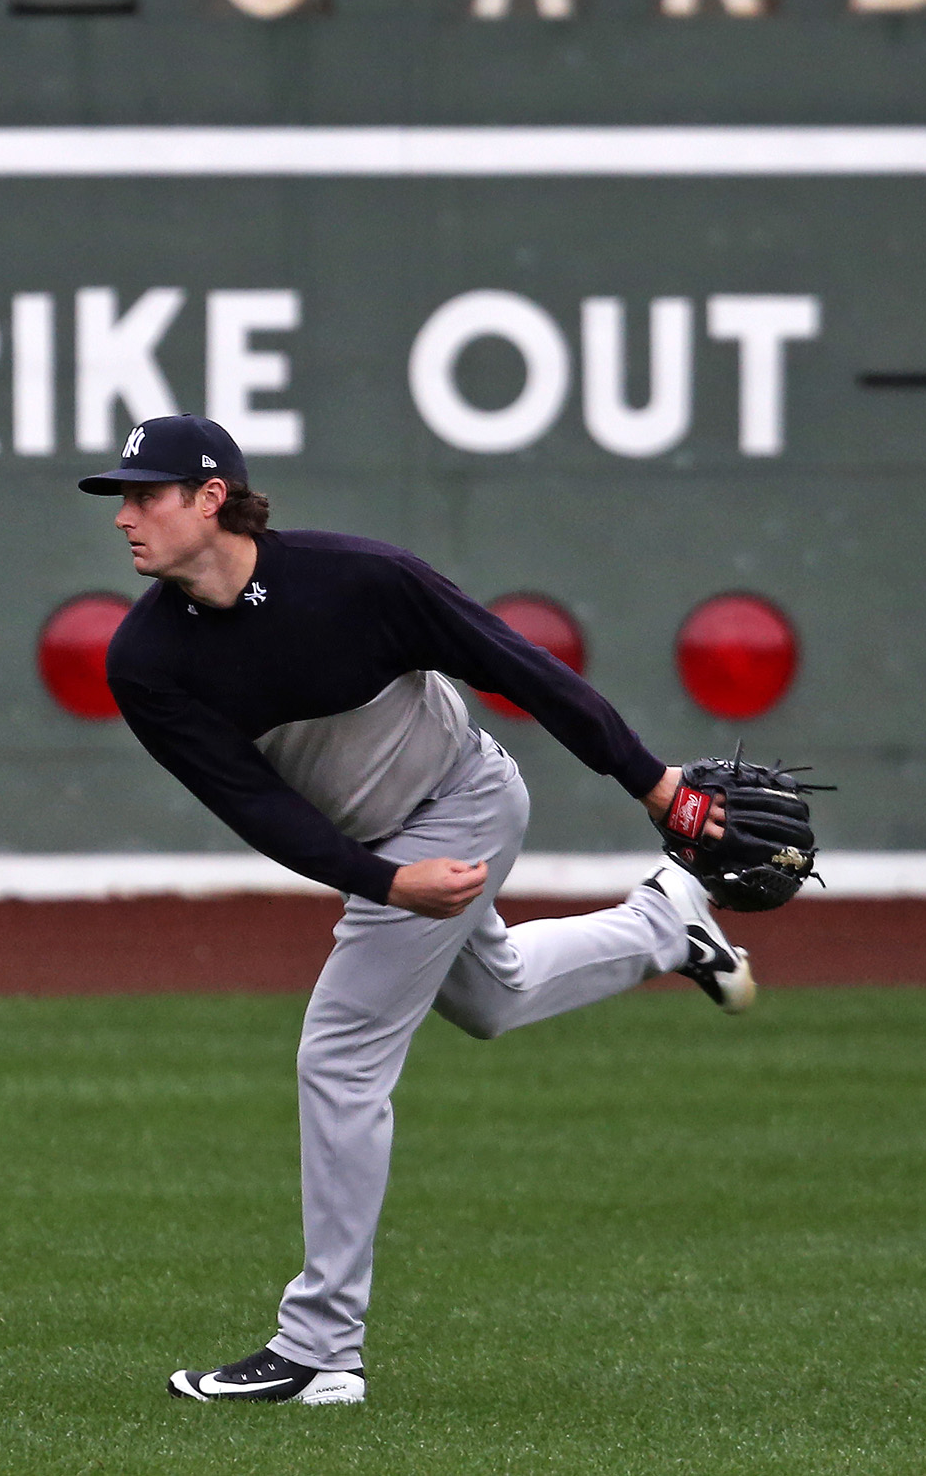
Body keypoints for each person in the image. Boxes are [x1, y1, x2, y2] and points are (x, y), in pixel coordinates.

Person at [80, 413, 752, 1408]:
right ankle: (667, 924)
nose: (125, 518)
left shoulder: (357, 581)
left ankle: (318, 1351)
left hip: (461, 802)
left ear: (211, 498)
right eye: (121, 499)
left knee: (339, 1054)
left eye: (146, 495)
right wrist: (381, 880)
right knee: (493, 997)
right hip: (393, 852)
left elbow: (515, 665)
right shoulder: (147, 662)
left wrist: (653, 786)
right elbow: (254, 805)